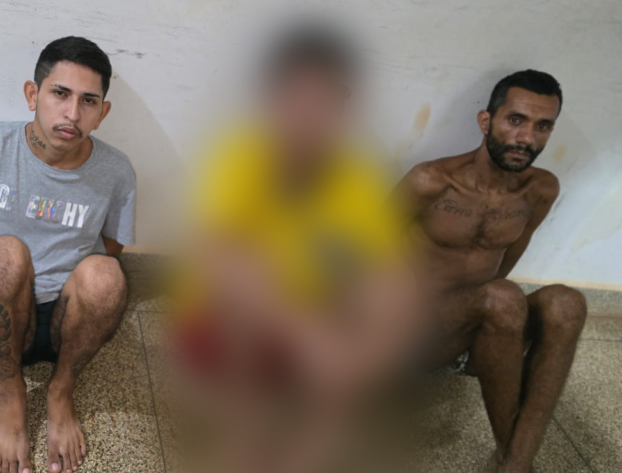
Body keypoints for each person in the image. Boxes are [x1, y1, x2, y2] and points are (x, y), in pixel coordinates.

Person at [169, 27, 418, 472]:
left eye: (326, 99)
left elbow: (387, 272)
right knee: (242, 292)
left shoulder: (355, 175)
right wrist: (306, 330)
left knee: (383, 308)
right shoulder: (239, 157)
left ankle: (304, 457)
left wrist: (363, 354)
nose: (312, 115)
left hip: (311, 319)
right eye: (301, 98)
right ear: (275, 99)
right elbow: (221, 260)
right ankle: (241, 445)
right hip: (222, 328)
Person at [0, 36, 136, 473]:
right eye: (60, 93)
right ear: (33, 94)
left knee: (107, 274)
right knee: (0, 253)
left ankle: (60, 391)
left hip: (72, 322)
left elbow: (112, 248)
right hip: (2, 312)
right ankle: (9, 392)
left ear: (102, 113)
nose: (72, 114)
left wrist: (78, 288)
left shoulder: (116, 171)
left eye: (88, 101)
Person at [395, 69, 587, 473]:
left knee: (567, 303)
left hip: (478, 326)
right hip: (416, 333)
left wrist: (497, 322)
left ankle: (513, 461)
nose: (526, 138)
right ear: (486, 121)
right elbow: (369, 254)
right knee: (502, 297)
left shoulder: (540, 190)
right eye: (515, 120)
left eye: (542, 126)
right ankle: (514, 463)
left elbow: (508, 259)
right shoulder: (431, 181)